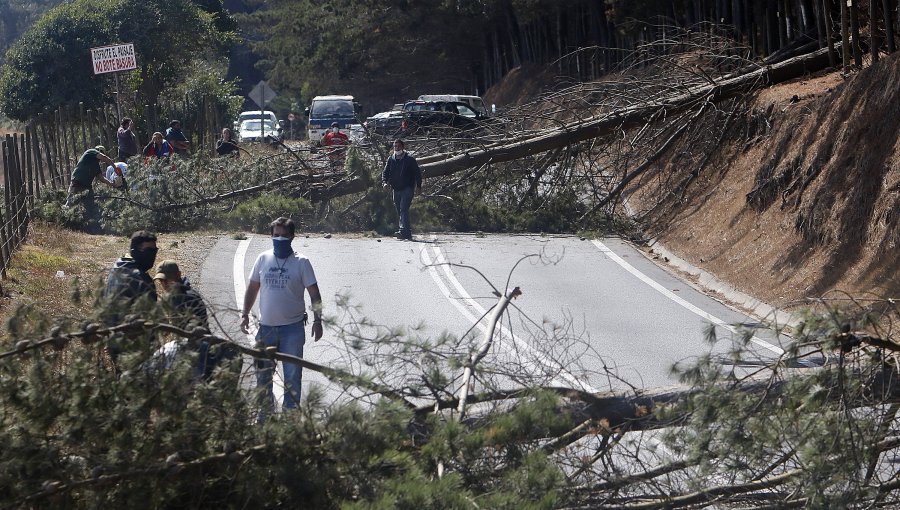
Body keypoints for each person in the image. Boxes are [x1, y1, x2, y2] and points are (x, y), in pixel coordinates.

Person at [241, 217, 323, 418]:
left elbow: (314, 293)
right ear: (270, 236)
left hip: (292, 330)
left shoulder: (301, 262)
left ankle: (290, 420)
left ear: (292, 237)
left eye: (284, 236)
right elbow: (252, 288)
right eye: (276, 235)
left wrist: (318, 320)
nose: (279, 239)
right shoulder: (263, 259)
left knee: (292, 377)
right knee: (263, 375)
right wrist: (244, 314)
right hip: (266, 329)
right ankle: (265, 415)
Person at [154, 260, 237, 379]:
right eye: (161, 280)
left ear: (178, 275)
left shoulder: (186, 298)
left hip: (196, 351)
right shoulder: (175, 296)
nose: (164, 283)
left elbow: (195, 332)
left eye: (167, 279)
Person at [381, 139, 422, 240]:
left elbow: (417, 173)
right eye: (395, 146)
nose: (397, 148)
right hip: (396, 189)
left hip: (407, 188)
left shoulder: (409, 160)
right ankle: (406, 233)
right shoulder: (391, 159)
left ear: (403, 147)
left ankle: (402, 231)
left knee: (403, 209)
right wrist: (385, 183)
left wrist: (418, 186)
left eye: (399, 146)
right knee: (400, 210)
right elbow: (385, 173)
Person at [105, 230, 159, 305]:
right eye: (149, 250)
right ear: (135, 251)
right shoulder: (141, 278)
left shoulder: (117, 267)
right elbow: (151, 313)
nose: (152, 255)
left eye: (154, 250)